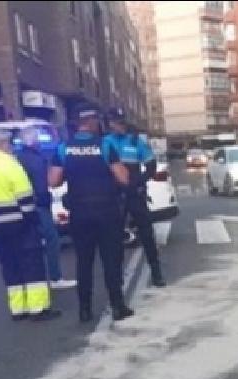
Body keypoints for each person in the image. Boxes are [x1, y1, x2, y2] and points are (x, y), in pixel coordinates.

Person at [49, 104, 133, 323]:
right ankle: (118, 306)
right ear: (93, 122)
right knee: (111, 260)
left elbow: (53, 181)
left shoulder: (63, 148)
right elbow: (123, 178)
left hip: (79, 212)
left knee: (84, 262)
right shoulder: (105, 145)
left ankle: (84, 310)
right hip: (106, 211)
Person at [0, 130, 60, 322]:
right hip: (20, 223)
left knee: (11, 266)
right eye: (9, 144)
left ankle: (18, 308)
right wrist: (33, 221)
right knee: (32, 264)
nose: (12, 148)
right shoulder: (10, 166)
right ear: (3, 145)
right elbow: (25, 198)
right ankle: (38, 309)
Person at [102, 108, 166, 287]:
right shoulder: (105, 142)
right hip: (114, 195)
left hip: (134, 194)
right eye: (117, 123)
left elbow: (151, 165)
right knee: (115, 237)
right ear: (110, 124)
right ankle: (118, 276)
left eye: (122, 122)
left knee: (146, 233)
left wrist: (140, 181)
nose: (121, 126)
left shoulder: (135, 141)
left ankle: (156, 272)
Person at [16, 127, 76, 290]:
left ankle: (35, 279)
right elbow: (43, 182)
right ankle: (55, 277)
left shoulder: (22, 157)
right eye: (37, 140)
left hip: (33, 204)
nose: (39, 143)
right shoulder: (33, 159)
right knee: (51, 239)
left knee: (36, 242)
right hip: (38, 205)